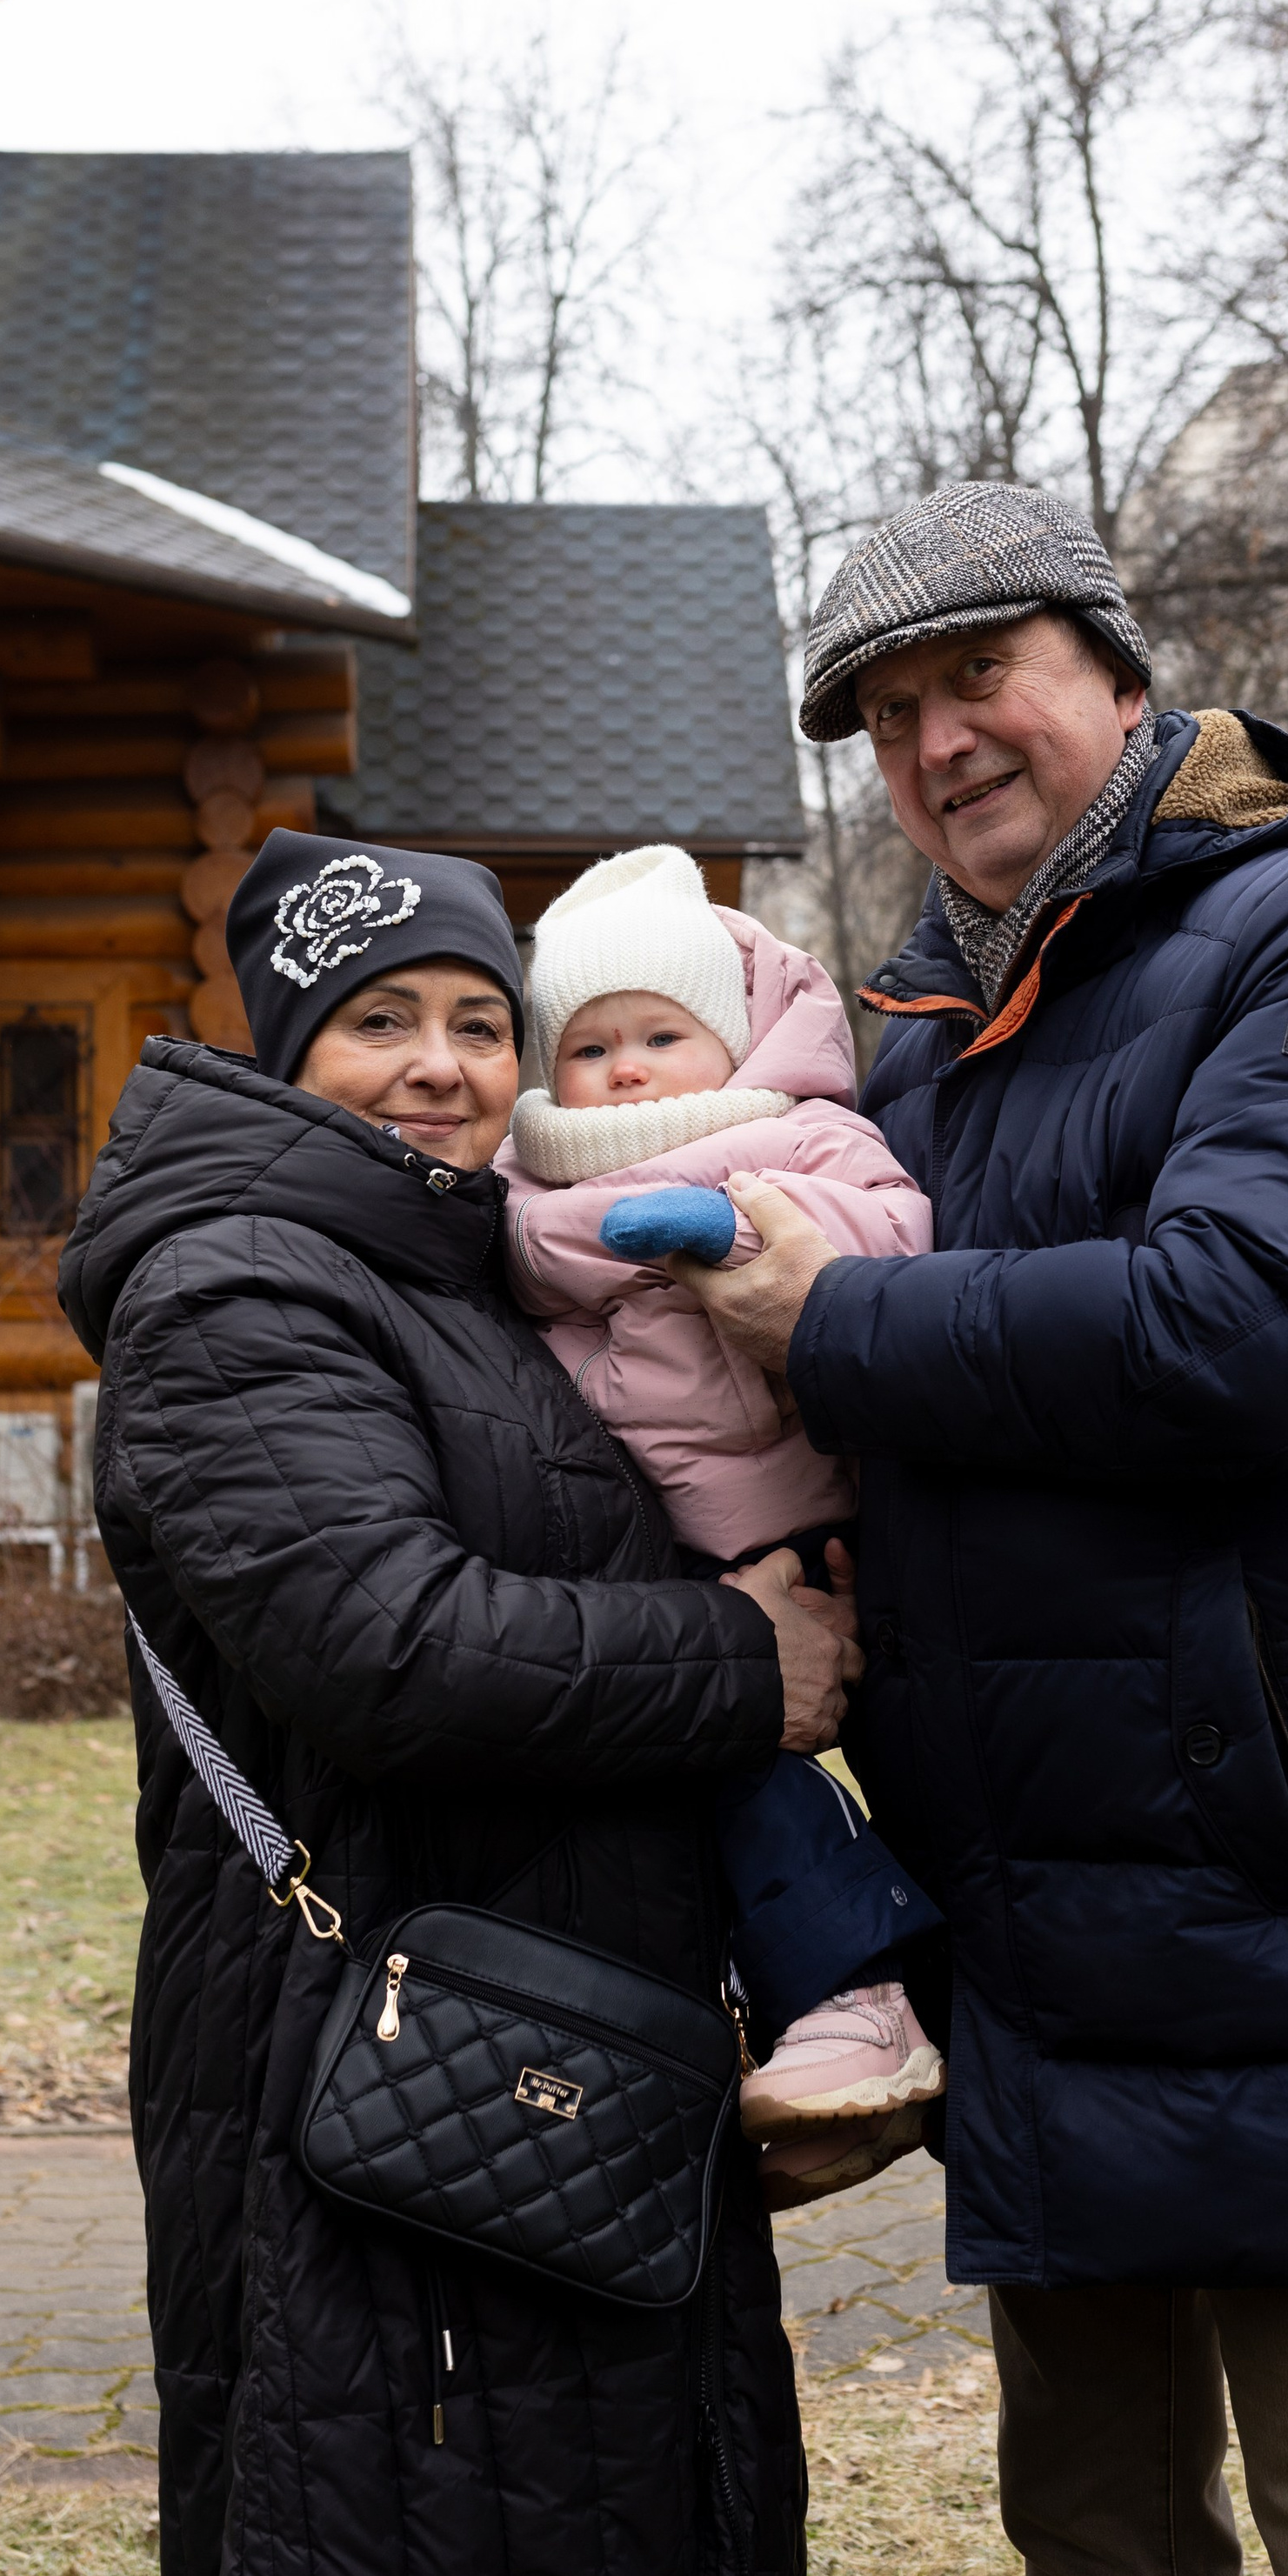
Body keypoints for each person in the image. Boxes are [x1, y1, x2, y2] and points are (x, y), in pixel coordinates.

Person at [671, 483, 1288, 2576]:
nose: (938, 741)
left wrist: (836, 1323)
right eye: (885, 714)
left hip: (1284, 1911)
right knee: (1104, 2561)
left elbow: (1249, 1333)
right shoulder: (941, 1032)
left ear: (1116, 676)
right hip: (1039, 1933)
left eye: (980, 677)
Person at [58, 830, 838, 2576]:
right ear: (288, 1047)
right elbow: (379, 1643)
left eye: (479, 1022)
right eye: (378, 1020)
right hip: (370, 2088)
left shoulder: (455, 1269)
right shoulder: (236, 1285)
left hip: (530, 2069)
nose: (439, 1064)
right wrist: (740, 1668)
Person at [497, 842, 944, 2201]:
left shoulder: (791, 1132)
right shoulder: (533, 1197)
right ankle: (761, 2018)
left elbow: (893, 1232)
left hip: (799, 1530)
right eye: (591, 1046)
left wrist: (740, 1232)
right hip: (658, 1552)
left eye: (660, 1034)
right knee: (663, 1782)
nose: (627, 1071)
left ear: (731, 1038)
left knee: (747, 1776)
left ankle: (861, 1988)